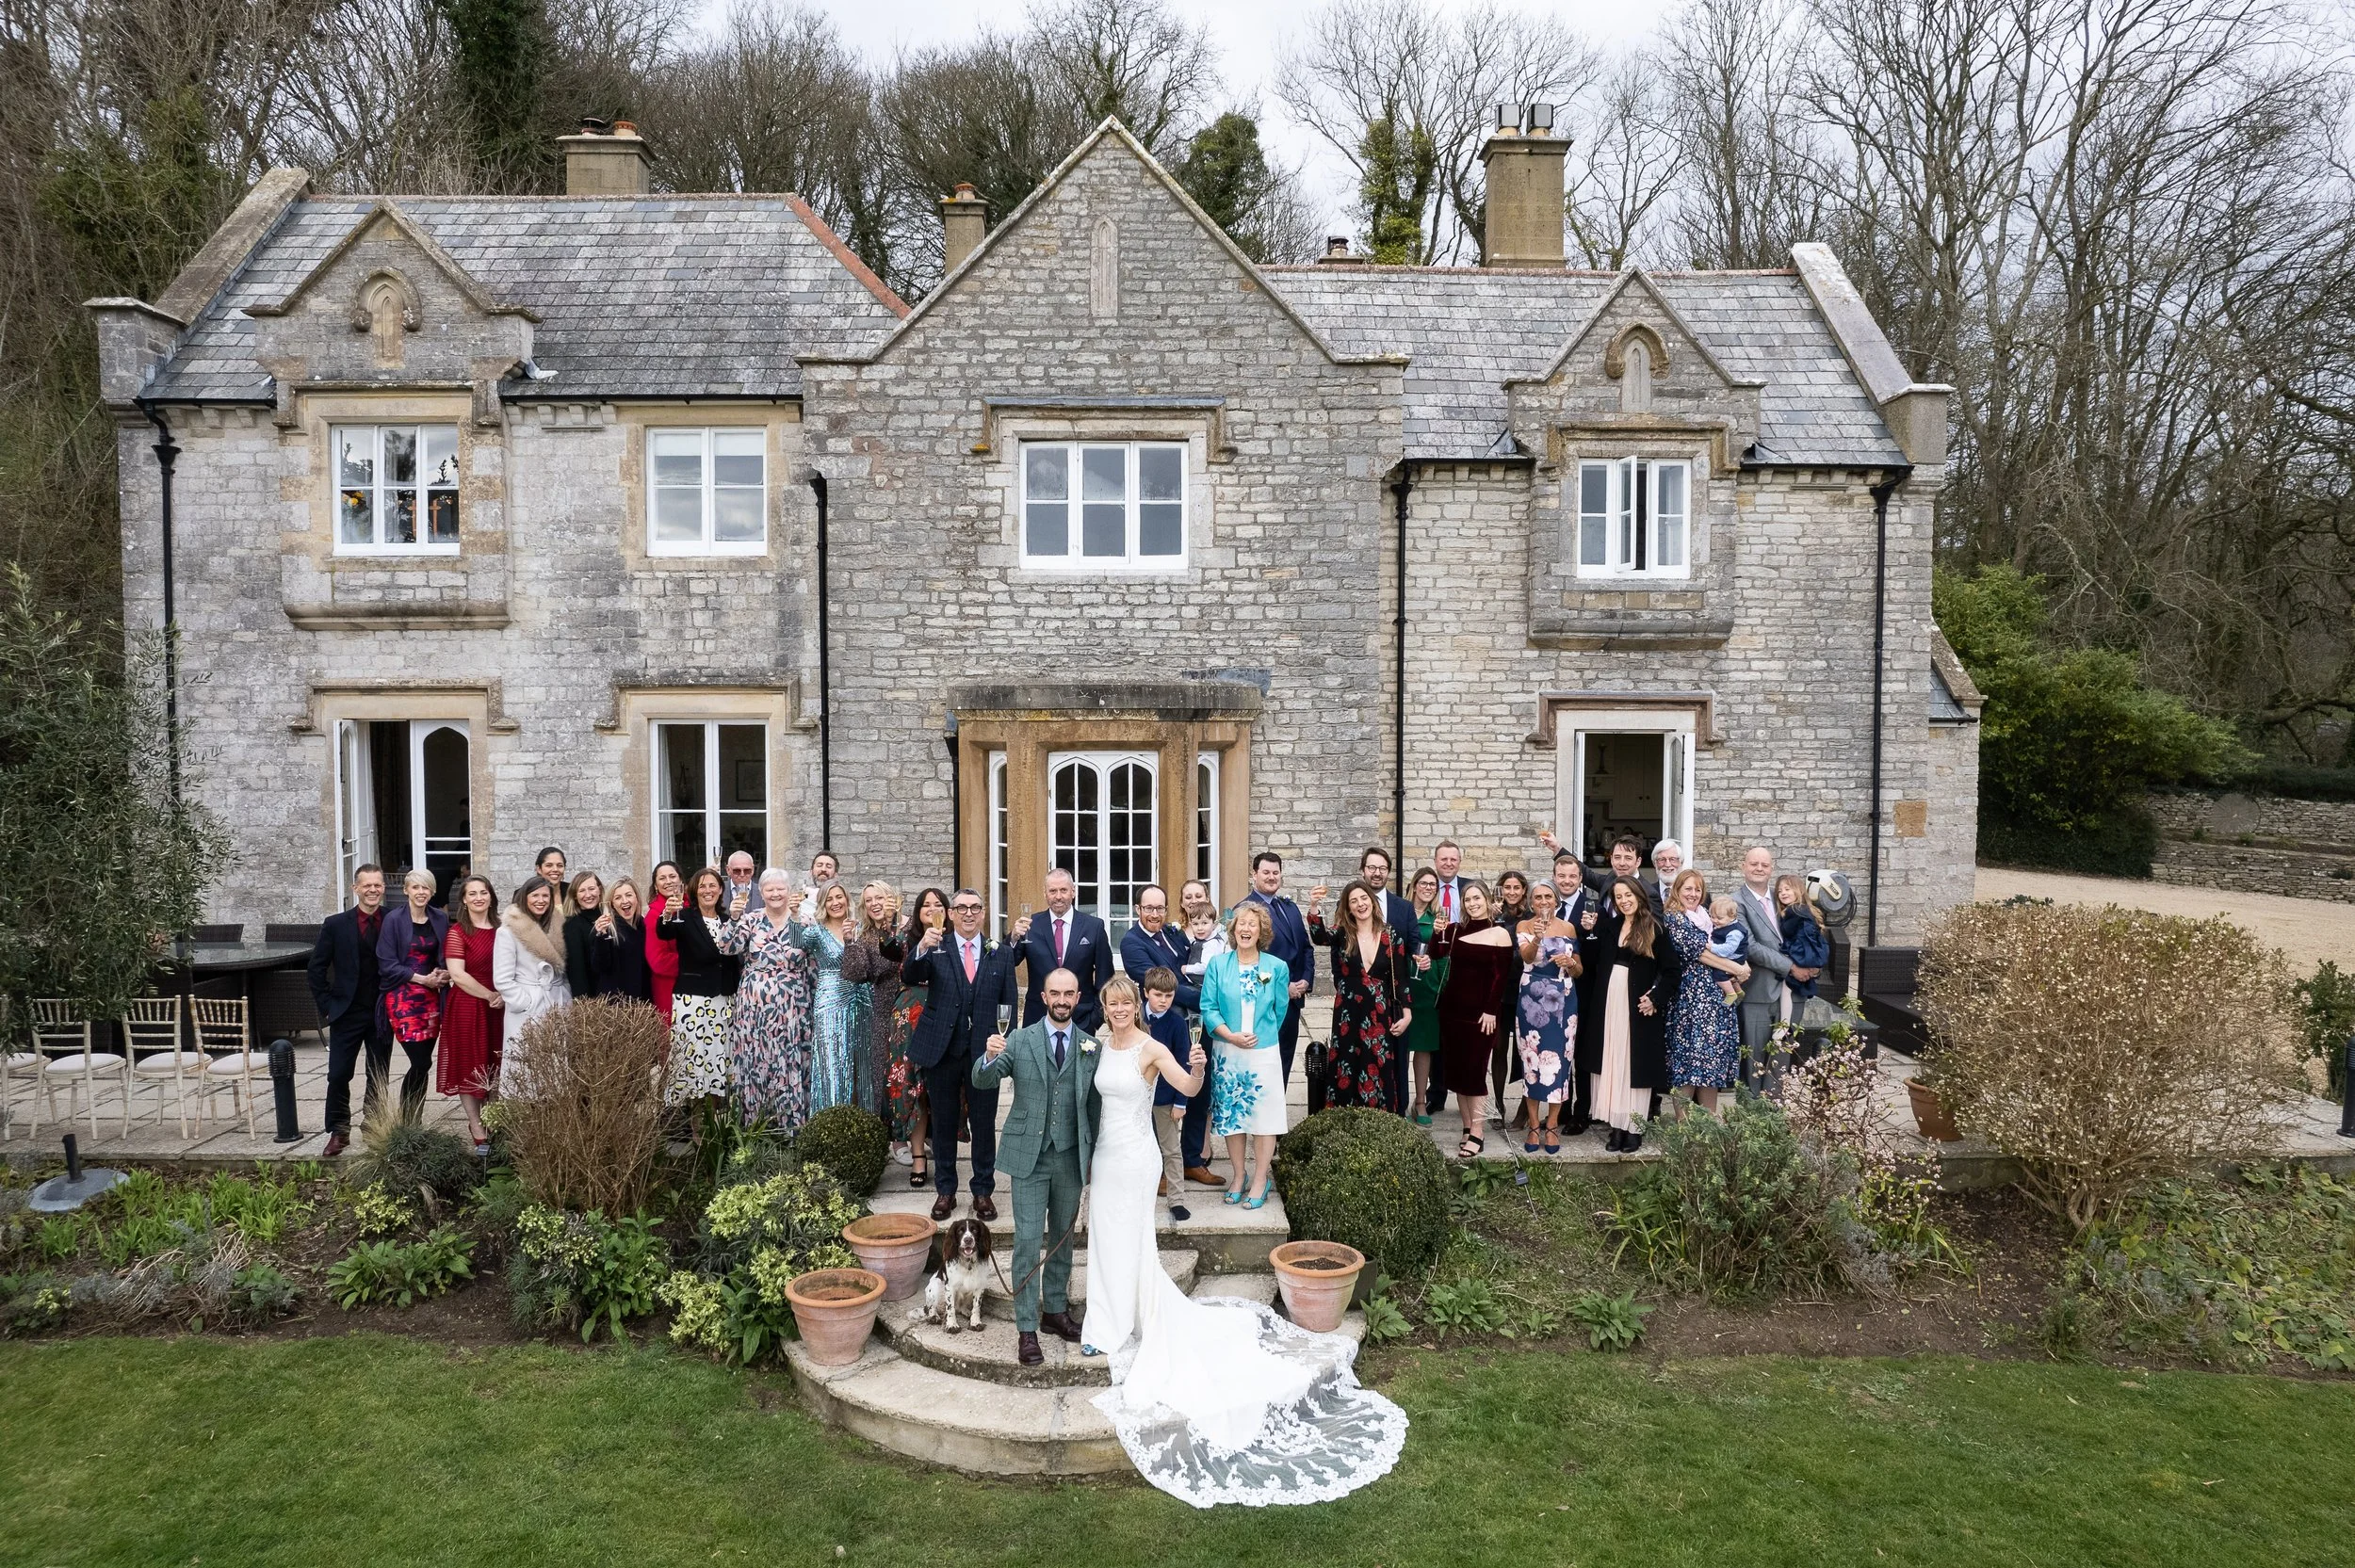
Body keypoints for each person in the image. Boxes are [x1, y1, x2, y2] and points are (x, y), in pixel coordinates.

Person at [1080, 982, 1408, 1511]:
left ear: (1135, 1007)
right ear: (1104, 1008)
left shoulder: (1151, 1047)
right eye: (1111, 1004)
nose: (1118, 1011)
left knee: (1133, 1240)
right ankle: (1106, 1317)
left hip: (1138, 1158)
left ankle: (1121, 1324)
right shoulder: (1096, 1042)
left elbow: (1185, 1089)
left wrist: (1199, 1064)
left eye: (1125, 1004)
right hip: (1104, 1157)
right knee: (1105, 1240)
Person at [974, 967, 1098, 1368]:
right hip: (1028, 1156)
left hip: (1069, 1157)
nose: (1062, 1000)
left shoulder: (1091, 1047)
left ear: (1078, 997)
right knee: (1028, 1241)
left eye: (1069, 993)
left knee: (1062, 1239)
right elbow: (983, 1081)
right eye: (1054, 993)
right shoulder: (1019, 1039)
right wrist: (989, 1057)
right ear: (1043, 997)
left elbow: (1095, 1110)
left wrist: (1093, 1157)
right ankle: (1026, 1326)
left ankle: (1055, 1312)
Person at [903, 887, 1021, 1220]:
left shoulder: (999, 953)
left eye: (975, 908)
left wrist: (1002, 1041)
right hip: (942, 1047)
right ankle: (946, 1191)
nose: (968, 914)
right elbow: (909, 975)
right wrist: (920, 949)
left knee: (984, 1123)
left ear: (983, 913)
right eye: (961, 908)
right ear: (951, 914)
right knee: (942, 1123)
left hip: (983, 1051)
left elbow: (1009, 1003)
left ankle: (983, 1191)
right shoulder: (935, 945)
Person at [714, 869, 823, 1130]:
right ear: (761, 893)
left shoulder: (804, 921)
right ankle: (755, 1131)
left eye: (780, 889)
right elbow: (726, 947)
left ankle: (792, 1130)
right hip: (754, 1008)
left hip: (793, 1007)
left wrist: (813, 1002)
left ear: (789, 892)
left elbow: (814, 963)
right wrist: (734, 916)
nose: (775, 894)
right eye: (769, 890)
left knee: (789, 1063)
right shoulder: (750, 920)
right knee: (755, 1063)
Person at [1581, 877, 1682, 1152]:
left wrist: (1655, 999)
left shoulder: (1655, 928)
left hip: (1637, 1007)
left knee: (1632, 1065)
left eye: (1628, 895)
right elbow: (1592, 963)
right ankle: (1616, 1126)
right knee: (1612, 1063)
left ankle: (1634, 1128)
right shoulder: (1610, 925)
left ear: (1639, 894)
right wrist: (1589, 933)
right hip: (1608, 1003)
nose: (1624, 900)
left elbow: (1673, 972)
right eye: (1618, 896)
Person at [1201, 902, 1291, 1207]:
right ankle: (1239, 1176)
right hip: (1229, 1052)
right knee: (1232, 1117)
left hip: (1263, 1052)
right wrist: (1230, 1035)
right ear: (1233, 929)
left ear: (1262, 931)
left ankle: (1261, 1178)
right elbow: (1208, 1007)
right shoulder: (1218, 965)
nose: (1246, 929)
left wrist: (1260, 1036)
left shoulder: (1276, 967)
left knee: (1263, 1118)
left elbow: (1280, 1011)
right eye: (1241, 923)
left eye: (1252, 924)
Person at [1123, 885, 1210, 1188]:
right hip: (1163, 1023)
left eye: (1160, 908)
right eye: (1149, 908)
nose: (1155, 914)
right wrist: (1207, 996)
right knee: (1157, 1096)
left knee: (1198, 1083)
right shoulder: (1131, 943)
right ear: (1138, 910)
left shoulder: (1171, 934)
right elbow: (1161, 984)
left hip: (1191, 1022)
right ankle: (1158, 1169)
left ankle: (1192, 1160)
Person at [1304, 880, 1411, 1111]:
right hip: (1348, 1012)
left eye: (1364, 898)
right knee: (1347, 1064)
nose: (1360, 904)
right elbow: (1319, 936)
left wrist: (1407, 1014)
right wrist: (1314, 906)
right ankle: (1344, 1120)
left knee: (1378, 1064)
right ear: (1348, 908)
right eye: (1354, 901)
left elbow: (1400, 978)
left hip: (1380, 1011)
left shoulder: (1391, 935)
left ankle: (1379, 1123)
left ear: (1372, 901)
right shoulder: (1343, 933)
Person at [770, 878, 871, 1120]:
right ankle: (831, 1129)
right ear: (823, 904)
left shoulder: (860, 928)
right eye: (830, 899)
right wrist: (794, 916)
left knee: (863, 1067)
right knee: (833, 1065)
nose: (836, 903)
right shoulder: (816, 931)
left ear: (847, 899)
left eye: (839, 897)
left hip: (864, 999)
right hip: (831, 1002)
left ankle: (866, 1130)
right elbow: (794, 944)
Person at [1427, 881, 1515, 1159]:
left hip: (1482, 1015)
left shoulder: (1500, 933)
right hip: (1452, 1011)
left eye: (1477, 898)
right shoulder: (1454, 930)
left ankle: (1478, 1130)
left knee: (1475, 1072)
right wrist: (1435, 934)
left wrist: (1490, 1010)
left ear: (1488, 900)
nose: (1472, 903)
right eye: (1467, 900)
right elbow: (1435, 953)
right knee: (1458, 1073)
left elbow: (1501, 978)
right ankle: (1467, 1127)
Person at [308, 864, 390, 1158]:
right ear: (355, 888)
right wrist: (328, 1006)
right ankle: (339, 1130)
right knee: (338, 1074)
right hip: (346, 1012)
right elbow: (316, 969)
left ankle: (374, 1124)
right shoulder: (336, 924)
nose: (372, 890)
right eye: (366, 885)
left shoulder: (393, 920)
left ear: (383, 888)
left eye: (377, 885)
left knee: (378, 1072)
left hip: (382, 1011)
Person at [1663, 870, 1746, 1112]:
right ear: (1677, 890)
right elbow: (1699, 953)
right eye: (1688, 889)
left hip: (1715, 999)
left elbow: (1734, 945)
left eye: (1698, 890)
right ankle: (1684, 1127)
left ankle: (1710, 1124)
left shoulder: (1707, 918)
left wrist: (1742, 965)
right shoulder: (1675, 918)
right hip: (1690, 999)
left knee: (1712, 1062)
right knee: (1688, 1061)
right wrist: (1737, 969)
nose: (1693, 894)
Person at [658, 867, 739, 1110]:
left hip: (723, 1000)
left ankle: (716, 1127)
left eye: (712, 885)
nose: (708, 890)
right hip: (692, 1002)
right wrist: (667, 914)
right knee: (694, 1062)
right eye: (702, 886)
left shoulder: (728, 920)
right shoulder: (684, 917)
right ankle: (697, 1131)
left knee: (718, 1059)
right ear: (694, 891)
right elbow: (664, 932)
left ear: (721, 889)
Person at [375, 868, 449, 1123]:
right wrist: (422, 979)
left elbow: (445, 954)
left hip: (432, 999)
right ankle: (407, 1119)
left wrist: (443, 973)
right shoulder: (394, 920)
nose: (421, 892)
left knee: (425, 1061)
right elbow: (386, 963)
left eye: (426, 887)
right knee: (419, 1061)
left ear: (432, 891)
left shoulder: (439, 918)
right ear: (406, 890)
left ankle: (413, 1118)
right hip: (403, 997)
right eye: (416, 887)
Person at [437, 874, 504, 1152]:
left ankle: (495, 1118)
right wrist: (488, 995)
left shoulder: (503, 927)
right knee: (470, 1064)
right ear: (464, 900)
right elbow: (457, 974)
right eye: (472, 893)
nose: (479, 897)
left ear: (491, 896)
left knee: (497, 1063)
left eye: (484, 892)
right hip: (469, 1005)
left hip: (500, 1006)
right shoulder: (458, 932)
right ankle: (476, 1124)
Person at [887, 887, 949, 1186]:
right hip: (910, 1017)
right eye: (926, 905)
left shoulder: (953, 940)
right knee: (914, 1087)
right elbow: (893, 959)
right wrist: (921, 942)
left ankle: (942, 1146)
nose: (932, 909)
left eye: (938, 904)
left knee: (941, 1086)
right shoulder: (906, 938)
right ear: (918, 910)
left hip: (945, 1015)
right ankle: (918, 1159)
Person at [1515, 881, 1581, 1154]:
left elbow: (1579, 970)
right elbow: (1527, 957)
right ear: (1531, 903)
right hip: (1532, 999)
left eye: (1548, 897)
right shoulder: (1524, 927)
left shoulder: (1568, 928)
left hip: (1564, 999)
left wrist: (1571, 964)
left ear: (1556, 901)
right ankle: (1533, 1124)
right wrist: (1539, 937)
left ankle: (1552, 1125)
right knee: (1532, 1064)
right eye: (1538, 897)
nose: (1543, 901)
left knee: (1560, 1063)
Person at [1240, 851, 1314, 1085]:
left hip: (1292, 1003)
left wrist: (1306, 979)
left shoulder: (1289, 908)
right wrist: (1284, 987)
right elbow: (1247, 961)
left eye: (1276, 872)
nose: (1271, 877)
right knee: (1263, 1064)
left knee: (1283, 1063)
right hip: (1263, 1004)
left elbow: (1306, 948)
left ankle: (1276, 1115)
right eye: (1266, 872)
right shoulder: (1245, 911)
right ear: (1254, 874)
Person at [493, 877, 571, 1096]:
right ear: (525, 897)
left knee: (555, 1071)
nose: (540, 900)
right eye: (535, 895)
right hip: (527, 1007)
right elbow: (502, 978)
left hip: (556, 1003)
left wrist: (566, 998)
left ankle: (551, 1120)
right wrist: (523, 1002)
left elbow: (564, 968)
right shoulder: (508, 931)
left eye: (545, 895)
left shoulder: (559, 926)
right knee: (525, 1071)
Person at [1012, 868, 1113, 1031]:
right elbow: (1010, 961)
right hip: (1037, 1020)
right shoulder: (1031, 925)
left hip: (1081, 1020)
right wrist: (1013, 938)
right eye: (1053, 891)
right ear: (1045, 894)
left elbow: (1106, 977)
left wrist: (1095, 1018)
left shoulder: (1094, 927)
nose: (1058, 896)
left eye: (1063, 890)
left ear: (1073, 892)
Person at [1137, 968, 1199, 1221]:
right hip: (1138, 1096)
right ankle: (1139, 1194)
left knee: (1171, 1149)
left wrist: (1180, 1101)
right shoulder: (1135, 1016)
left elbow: (1184, 1063)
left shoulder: (1175, 1023)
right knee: (1138, 1148)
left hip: (1165, 1098)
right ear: (1146, 993)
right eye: (1157, 995)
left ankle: (1176, 1199)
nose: (1163, 1000)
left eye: (1169, 996)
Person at [1734, 847, 1798, 1088]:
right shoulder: (1736, 902)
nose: (1759, 868)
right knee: (1753, 1063)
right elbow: (1750, 946)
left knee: (1780, 1064)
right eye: (1753, 864)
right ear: (1743, 866)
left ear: (1772, 869)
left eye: (1764, 865)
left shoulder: (1783, 898)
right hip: (1757, 994)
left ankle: (1776, 1120)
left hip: (1791, 993)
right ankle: (1750, 1121)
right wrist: (1791, 966)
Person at [855, 881, 911, 1150]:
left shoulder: (910, 928)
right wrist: (849, 944)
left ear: (893, 900)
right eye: (868, 900)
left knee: (912, 1072)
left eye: (880, 898)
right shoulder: (866, 936)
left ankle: (921, 1135)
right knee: (884, 1073)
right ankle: (896, 1139)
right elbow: (859, 974)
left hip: (910, 1007)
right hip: (882, 1008)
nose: (875, 904)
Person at [1403, 867, 1447, 1124]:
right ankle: (1398, 1099)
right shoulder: (1401, 913)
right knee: (1400, 1047)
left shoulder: (1438, 918)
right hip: (1403, 985)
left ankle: (1420, 1102)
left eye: (1433, 885)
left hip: (1427, 988)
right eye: (1424, 883)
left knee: (1424, 1048)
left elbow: (1444, 953)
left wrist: (1441, 985)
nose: (1428, 888)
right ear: (1415, 885)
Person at [1490, 869, 1534, 1124]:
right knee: (1498, 1048)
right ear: (1501, 890)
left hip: (1524, 990)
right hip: (1498, 991)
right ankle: (1498, 1105)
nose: (1512, 892)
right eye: (1507, 887)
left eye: (1517, 887)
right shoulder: (1493, 917)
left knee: (1525, 1051)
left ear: (1524, 891)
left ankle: (1523, 1110)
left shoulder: (1531, 917)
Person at [584, 879, 653, 1002]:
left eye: (629, 895)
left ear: (636, 898)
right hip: (616, 1006)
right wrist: (601, 937)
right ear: (612, 904)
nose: (625, 901)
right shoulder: (606, 929)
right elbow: (600, 966)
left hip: (642, 1003)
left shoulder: (643, 925)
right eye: (618, 898)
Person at [1776, 874, 1831, 1012]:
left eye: (1787, 889)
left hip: (1801, 951)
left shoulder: (1794, 910)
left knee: (1785, 989)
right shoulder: (1803, 909)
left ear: (1798, 890)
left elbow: (1787, 931)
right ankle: (1785, 1024)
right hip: (1807, 951)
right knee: (1788, 989)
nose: (1783, 893)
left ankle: (1784, 1024)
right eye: (1780, 891)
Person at [644, 860, 685, 1024]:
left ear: (681, 880)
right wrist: (693, 962)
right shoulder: (654, 916)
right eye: (662, 878)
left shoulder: (692, 908)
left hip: (696, 987)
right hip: (669, 989)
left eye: (672, 876)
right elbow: (658, 961)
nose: (668, 881)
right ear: (655, 885)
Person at [560, 871, 606, 999]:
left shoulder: (610, 917)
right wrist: (585, 1005)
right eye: (582, 891)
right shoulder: (572, 925)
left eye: (591, 889)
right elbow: (577, 972)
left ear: (600, 890)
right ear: (575, 896)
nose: (588, 895)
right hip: (594, 999)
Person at [1707, 896, 1751, 1006]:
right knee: (1729, 976)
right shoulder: (1724, 925)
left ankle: (1730, 993)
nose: (1715, 921)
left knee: (1719, 972)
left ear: (1732, 917)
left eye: (1719, 918)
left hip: (1735, 957)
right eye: (1712, 917)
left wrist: (1711, 947)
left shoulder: (1735, 932)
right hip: (1733, 955)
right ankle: (1739, 991)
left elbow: (1727, 950)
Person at [1644, 839, 1686, 915]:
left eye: (1672, 859)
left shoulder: (1694, 895)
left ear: (1681, 863)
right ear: (1654, 864)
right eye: (1662, 860)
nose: (1667, 864)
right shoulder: (1645, 893)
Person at [1430, 840, 1466, 924]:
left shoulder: (1471, 887)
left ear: (1459, 862)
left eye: (1453, 859)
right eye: (1444, 859)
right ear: (1435, 861)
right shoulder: (1423, 888)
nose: (1449, 863)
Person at [534, 847, 569, 912]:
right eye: (549, 865)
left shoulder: (572, 891)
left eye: (560, 866)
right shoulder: (524, 894)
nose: (555, 869)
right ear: (539, 869)